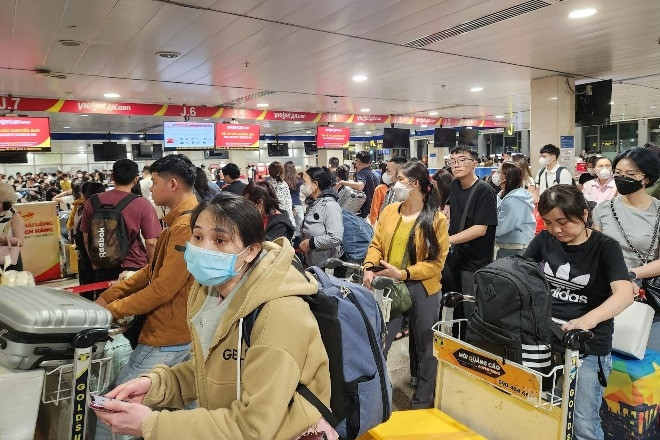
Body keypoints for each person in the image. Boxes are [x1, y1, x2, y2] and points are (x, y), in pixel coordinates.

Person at [94, 193, 333, 440]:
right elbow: (211, 370)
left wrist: (152, 425)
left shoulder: (279, 312)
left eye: (220, 240)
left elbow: (254, 428)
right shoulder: (208, 292)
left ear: (251, 251)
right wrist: (157, 386)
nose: (203, 248)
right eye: (197, 237)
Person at [94, 154, 200, 440]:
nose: (150, 189)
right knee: (183, 409)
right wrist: (112, 294)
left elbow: (162, 288)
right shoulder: (179, 221)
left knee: (112, 409)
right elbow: (151, 271)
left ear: (173, 184)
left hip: (168, 335)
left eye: (154, 182)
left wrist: (111, 310)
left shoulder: (186, 227)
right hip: (181, 330)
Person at [524, 185, 633, 440]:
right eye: (549, 223)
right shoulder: (544, 239)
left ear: (584, 214)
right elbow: (521, 271)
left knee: (582, 422)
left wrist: (586, 320)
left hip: (586, 346)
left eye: (563, 222)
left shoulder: (605, 247)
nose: (556, 230)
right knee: (541, 407)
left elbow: (625, 293)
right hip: (544, 336)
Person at [363, 161, 449, 408]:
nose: (393, 182)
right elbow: (376, 244)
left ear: (415, 185)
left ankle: (422, 401)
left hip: (422, 288)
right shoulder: (390, 211)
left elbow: (436, 263)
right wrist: (369, 267)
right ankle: (376, 400)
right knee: (380, 343)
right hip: (389, 287)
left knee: (426, 347)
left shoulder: (436, 219)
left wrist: (403, 273)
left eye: (399, 178)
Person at [592, 147, 660, 352]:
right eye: (619, 174)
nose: (622, 179)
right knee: (606, 351)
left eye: (630, 174)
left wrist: (629, 274)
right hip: (604, 291)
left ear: (646, 178)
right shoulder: (603, 209)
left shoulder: (658, 211)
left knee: (643, 358)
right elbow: (595, 251)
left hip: (644, 295)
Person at [81, 159, 161, 289]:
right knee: (133, 307)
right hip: (133, 267)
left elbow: (86, 238)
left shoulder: (92, 201)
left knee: (106, 306)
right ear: (136, 179)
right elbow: (151, 242)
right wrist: (152, 269)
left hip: (102, 267)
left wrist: (97, 260)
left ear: (112, 176)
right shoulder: (142, 203)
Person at [446, 146, 498, 296]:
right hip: (456, 256)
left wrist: (446, 240)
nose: (456, 165)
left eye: (462, 160)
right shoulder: (454, 185)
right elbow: (448, 211)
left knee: (471, 304)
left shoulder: (485, 191)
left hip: (475, 261)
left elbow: (480, 229)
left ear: (474, 164)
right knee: (455, 303)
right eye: (453, 161)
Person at [299, 167, 343, 267]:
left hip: (326, 268)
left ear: (315, 184)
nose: (303, 186)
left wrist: (310, 243)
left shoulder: (330, 206)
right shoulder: (314, 204)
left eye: (305, 182)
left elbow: (335, 238)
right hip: (313, 263)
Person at [494, 162, 535, 258]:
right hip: (506, 247)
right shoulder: (502, 195)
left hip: (516, 249)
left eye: (498, 172)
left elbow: (501, 227)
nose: (495, 175)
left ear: (505, 177)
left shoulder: (515, 200)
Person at [71, 182, 106, 292]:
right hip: (106, 252)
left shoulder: (80, 208)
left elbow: (80, 234)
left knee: (87, 285)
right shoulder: (108, 207)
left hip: (87, 254)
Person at [338, 151, 378, 220]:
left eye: (355, 161)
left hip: (365, 213)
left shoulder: (362, 173)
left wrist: (343, 182)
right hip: (374, 211)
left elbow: (360, 186)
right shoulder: (375, 174)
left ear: (358, 162)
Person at [370, 156, 407, 225]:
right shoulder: (390, 191)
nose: (385, 174)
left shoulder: (407, 193)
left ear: (399, 172)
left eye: (388, 171)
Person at [0, 182, 25, 271]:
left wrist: (2, 238)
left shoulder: (14, 217)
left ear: (5, 201)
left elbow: (20, 241)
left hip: (8, 261)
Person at [267, 161, 295, 226]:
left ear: (269, 171)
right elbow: (288, 200)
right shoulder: (284, 184)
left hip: (274, 216)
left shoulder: (267, 184)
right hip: (287, 215)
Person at [284, 161, 303, 236]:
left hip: (287, 206)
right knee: (300, 225)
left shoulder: (283, 182)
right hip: (298, 204)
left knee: (289, 225)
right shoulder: (299, 181)